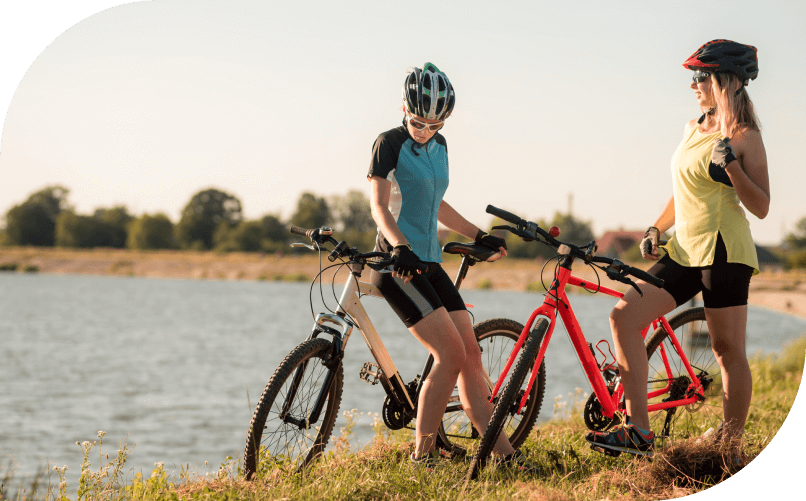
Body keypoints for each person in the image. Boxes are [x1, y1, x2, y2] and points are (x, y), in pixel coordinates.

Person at [586, 40, 769, 456]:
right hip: (684, 249)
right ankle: (639, 432)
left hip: (724, 251)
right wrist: (656, 226)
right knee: (624, 317)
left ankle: (730, 444)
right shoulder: (692, 127)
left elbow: (761, 205)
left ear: (727, 82)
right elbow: (682, 191)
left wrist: (733, 167)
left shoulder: (744, 136)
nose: (693, 84)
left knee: (726, 350)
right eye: (692, 77)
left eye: (700, 76)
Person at [367, 62, 532, 470]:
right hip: (397, 264)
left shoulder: (440, 148)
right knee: (450, 354)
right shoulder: (388, 143)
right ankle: (422, 457)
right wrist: (399, 247)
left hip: (430, 261)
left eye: (434, 125)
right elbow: (379, 206)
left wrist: (480, 234)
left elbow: (436, 204)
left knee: (470, 355)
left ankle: (502, 455)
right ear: (404, 108)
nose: (424, 131)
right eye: (418, 122)